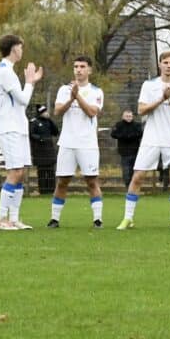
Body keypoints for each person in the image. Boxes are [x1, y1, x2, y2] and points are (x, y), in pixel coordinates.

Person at [122, 50, 170, 230]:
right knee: (138, 176)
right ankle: (128, 218)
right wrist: (161, 99)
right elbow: (141, 110)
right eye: (165, 63)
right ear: (160, 65)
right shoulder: (149, 85)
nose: (168, 66)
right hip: (151, 138)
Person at [43, 56, 105, 228]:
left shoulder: (96, 91)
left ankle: (97, 219)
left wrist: (78, 97)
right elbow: (57, 111)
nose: (78, 70)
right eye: (76, 66)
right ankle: (55, 219)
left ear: (89, 70)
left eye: (82, 67)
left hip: (88, 143)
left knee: (92, 181)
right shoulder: (64, 90)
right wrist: (71, 97)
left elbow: (92, 112)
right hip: (67, 142)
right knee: (62, 181)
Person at [0, 34, 43, 227]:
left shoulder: (9, 71)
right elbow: (23, 99)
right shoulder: (4, 70)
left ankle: (14, 218)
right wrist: (30, 81)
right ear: (14, 49)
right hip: (8, 127)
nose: (22, 51)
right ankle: (1, 218)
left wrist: (30, 82)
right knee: (14, 171)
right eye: (20, 47)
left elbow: (19, 104)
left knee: (20, 172)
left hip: (19, 127)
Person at [27, 101, 58, 195]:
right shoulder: (34, 122)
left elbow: (56, 132)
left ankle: (52, 190)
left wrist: (51, 120)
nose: (46, 113)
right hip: (39, 151)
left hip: (49, 151)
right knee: (42, 172)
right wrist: (40, 139)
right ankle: (43, 190)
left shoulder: (48, 121)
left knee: (51, 172)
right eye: (44, 112)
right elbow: (31, 134)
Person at [110, 108, 142, 188]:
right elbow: (113, 134)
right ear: (123, 117)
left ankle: (133, 188)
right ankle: (128, 187)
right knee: (126, 172)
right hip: (124, 153)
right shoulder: (119, 125)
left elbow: (140, 134)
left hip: (135, 152)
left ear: (132, 117)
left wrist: (128, 136)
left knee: (133, 171)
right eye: (127, 116)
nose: (128, 118)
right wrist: (125, 136)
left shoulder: (137, 125)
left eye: (130, 116)